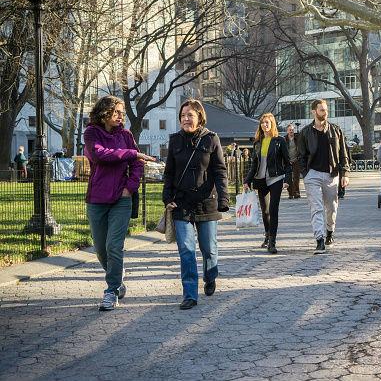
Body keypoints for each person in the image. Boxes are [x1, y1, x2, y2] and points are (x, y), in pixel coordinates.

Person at [84, 95, 154, 311]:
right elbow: (99, 155)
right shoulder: (91, 133)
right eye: (116, 112)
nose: (120, 116)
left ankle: (111, 290)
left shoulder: (125, 135)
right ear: (104, 112)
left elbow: (137, 165)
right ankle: (117, 277)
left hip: (120, 199)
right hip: (97, 198)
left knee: (114, 246)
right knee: (101, 249)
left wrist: (129, 189)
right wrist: (132, 152)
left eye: (122, 113)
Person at [163, 99, 229, 310]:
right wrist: (167, 197)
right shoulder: (174, 141)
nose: (185, 119)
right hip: (181, 203)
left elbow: (220, 171)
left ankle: (210, 276)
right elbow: (169, 173)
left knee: (209, 248)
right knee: (186, 250)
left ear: (200, 117)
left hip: (207, 202)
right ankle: (190, 294)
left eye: (190, 115)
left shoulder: (212, 139)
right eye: (183, 115)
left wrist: (223, 198)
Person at [298, 99, 350, 254]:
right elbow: (301, 155)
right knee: (316, 207)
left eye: (326, 110)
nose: (325, 112)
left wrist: (344, 173)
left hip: (331, 173)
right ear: (313, 111)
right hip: (312, 174)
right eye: (321, 110)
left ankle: (329, 232)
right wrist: (305, 173)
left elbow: (343, 153)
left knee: (331, 207)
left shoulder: (336, 130)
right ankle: (319, 239)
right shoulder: (305, 132)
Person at [244, 113, 291, 254]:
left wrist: (287, 180)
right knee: (265, 211)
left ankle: (272, 242)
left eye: (267, 122)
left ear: (272, 124)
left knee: (273, 210)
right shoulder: (257, 143)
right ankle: (267, 234)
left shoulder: (279, 141)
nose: (265, 125)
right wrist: (247, 181)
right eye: (263, 123)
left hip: (276, 178)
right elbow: (254, 165)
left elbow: (288, 163)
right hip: (260, 179)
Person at [284, 123, 301, 199]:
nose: (291, 131)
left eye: (292, 130)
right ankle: (290, 193)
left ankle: (296, 192)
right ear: (287, 131)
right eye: (290, 130)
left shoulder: (298, 138)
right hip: (288, 161)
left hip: (296, 160)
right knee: (288, 178)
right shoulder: (284, 139)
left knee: (296, 178)